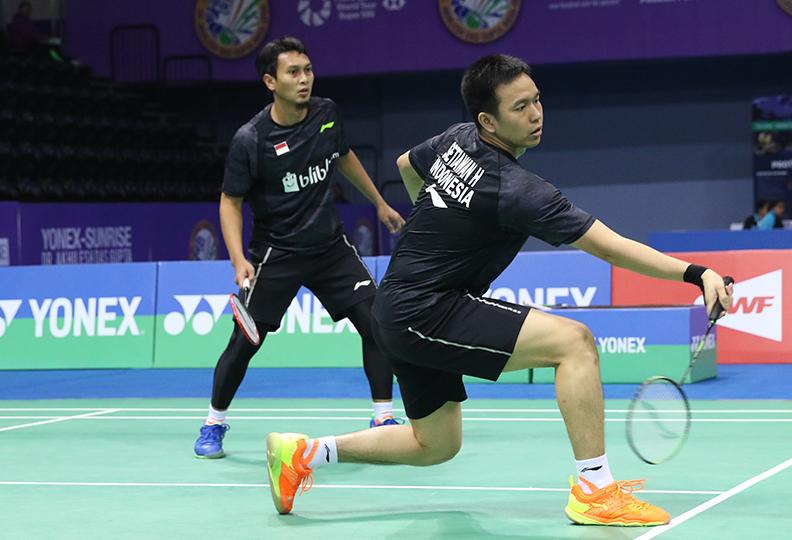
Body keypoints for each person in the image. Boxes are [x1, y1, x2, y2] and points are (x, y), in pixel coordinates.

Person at [263, 54, 732, 527]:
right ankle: (595, 489)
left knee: (436, 445)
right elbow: (608, 247)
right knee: (576, 344)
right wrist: (696, 274)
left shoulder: (456, 139)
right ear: (488, 119)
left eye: (537, 101)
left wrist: (433, 220)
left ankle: (302, 454)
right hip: (426, 309)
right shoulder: (518, 189)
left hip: (399, 306)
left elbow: (408, 164)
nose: (535, 114)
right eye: (520, 107)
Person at [193, 37, 407, 459]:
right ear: (270, 81)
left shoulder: (326, 113)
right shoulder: (250, 139)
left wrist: (378, 202)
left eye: (308, 69)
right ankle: (213, 422)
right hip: (277, 253)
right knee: (246, 340)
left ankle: (383, 416)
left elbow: (343, 155)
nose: (304, 78)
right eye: (294, 72)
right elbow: (230, 201)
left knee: (377, 320)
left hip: (330, 246)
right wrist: (238, 259)